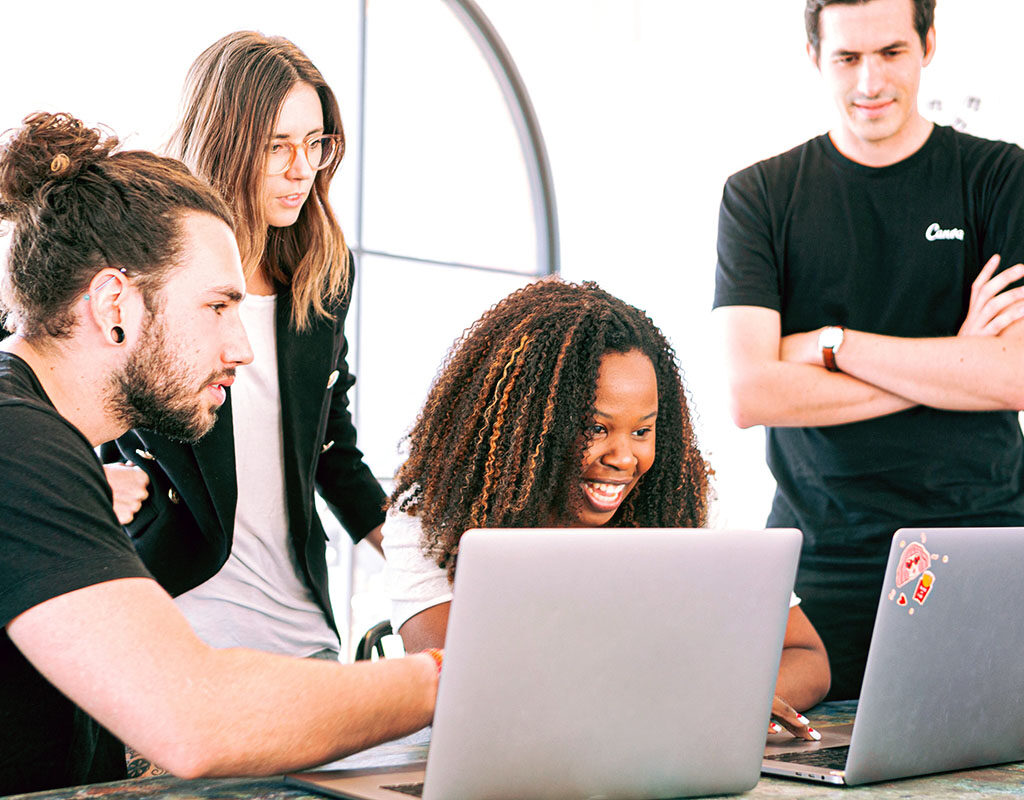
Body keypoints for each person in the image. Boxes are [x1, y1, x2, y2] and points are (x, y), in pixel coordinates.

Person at [0, 111, 438, 796]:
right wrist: (444, 678)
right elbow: (193, 715)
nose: (243, 347)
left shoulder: (45, 439)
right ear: (114, 303)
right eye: (218, 306)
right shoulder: (17, 445)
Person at [713, 0, 1024, 701]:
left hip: (983, 546)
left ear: (929, 44)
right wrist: (952, 361)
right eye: (847, 58)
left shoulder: (1001, 179)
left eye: (891, 53)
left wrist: (831, 345)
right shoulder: (759, 198)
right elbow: (750, 394)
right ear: (813, 57)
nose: (870, 82)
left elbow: (1013, 374)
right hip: (820, 562)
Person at [382, 279, 830, 739]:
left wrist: (728, 700)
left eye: (642, 431)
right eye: (595, 427)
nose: (623, 458)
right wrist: (687, 696)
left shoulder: (683, 501)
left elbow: (807, 658)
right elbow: (468, 687)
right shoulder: (433, 514)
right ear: (532, 425)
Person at [102, 31, 385, 660]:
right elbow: (48, 369)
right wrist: (85, 477)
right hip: (173, 621)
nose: (301, 169)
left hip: (302, 631)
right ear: (226, 143)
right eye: (277, 146)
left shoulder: (324, 272)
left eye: (315, 144)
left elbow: (329, 443)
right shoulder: (144, 256)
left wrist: (422, 556)